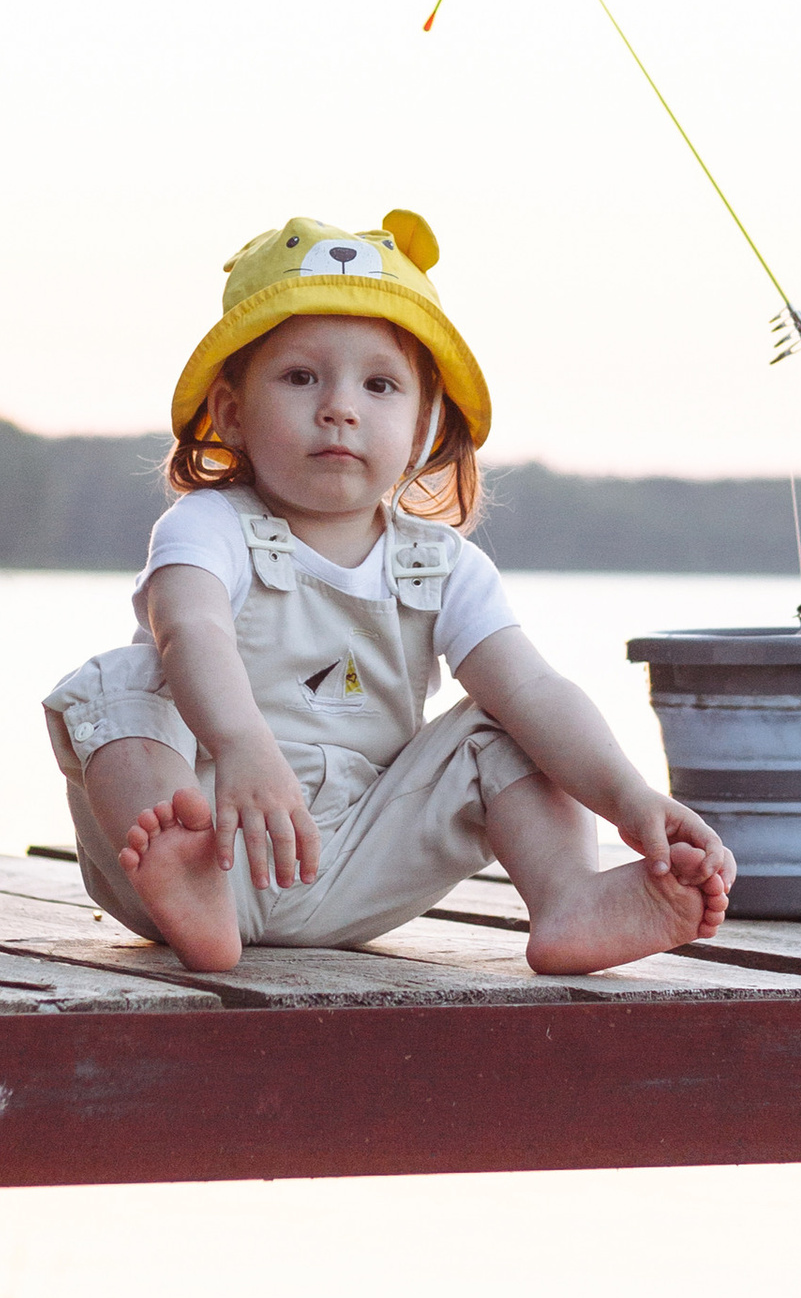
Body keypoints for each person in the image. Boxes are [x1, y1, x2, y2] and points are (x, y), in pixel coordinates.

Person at [41, 211, 735, 975]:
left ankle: (569, 894)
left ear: (421, 422)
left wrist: (633, 803)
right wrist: (242, 747)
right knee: (120, 683)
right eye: (301, 377)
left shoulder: (442, 566)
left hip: (349, 862)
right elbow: (190, 629)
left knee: (507, 724)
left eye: (379, 384)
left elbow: (534, 685)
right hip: (210, 831)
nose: (340, 406)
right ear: (233, 413)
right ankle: (193, 886)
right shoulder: (207, 527)